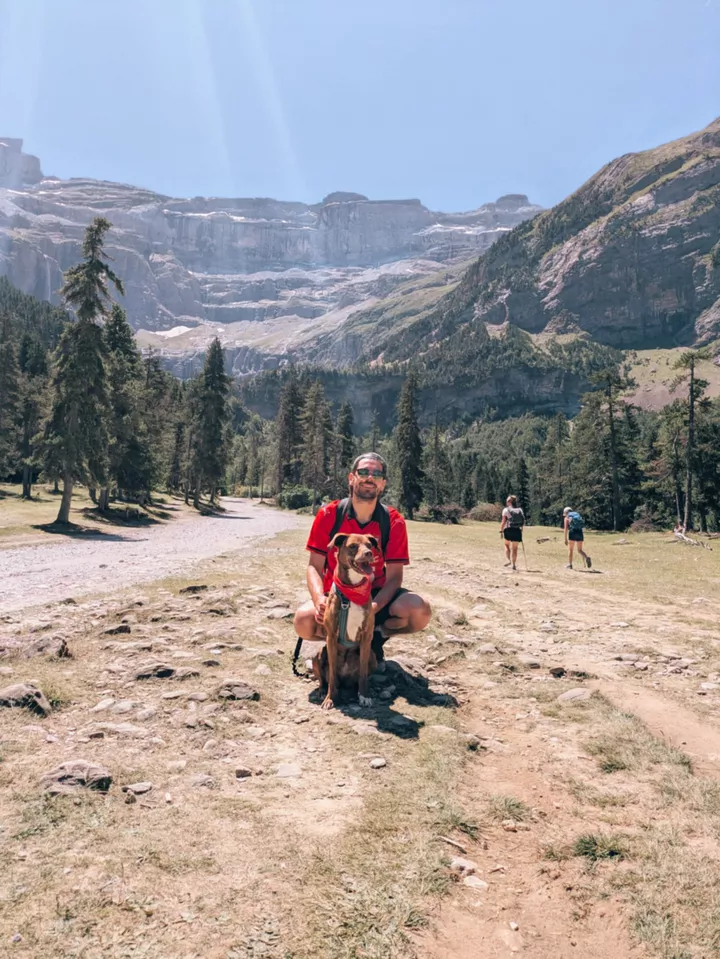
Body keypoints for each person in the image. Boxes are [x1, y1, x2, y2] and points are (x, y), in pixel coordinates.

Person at [293, 452, 432, 665]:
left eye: (377, 474)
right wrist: (319, 600)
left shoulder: (393, 521)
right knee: (303, 621)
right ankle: (338, 641)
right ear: (352, 478)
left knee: (419, 610)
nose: (370, 478)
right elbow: (314, 566)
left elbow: (395, 577)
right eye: (364, 472)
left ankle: (376, 635)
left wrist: (372, 608)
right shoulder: (329, 514)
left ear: (383, 484)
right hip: (337, 594)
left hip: (374, 595)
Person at [500, 495, 525, 570]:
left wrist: (501, 530)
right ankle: (514, 565)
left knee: (507, 545)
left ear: (509, 502)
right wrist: (522, 529)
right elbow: (523, 521)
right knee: (515, 548)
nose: (506, 502)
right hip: (517, 530)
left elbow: (503, 521)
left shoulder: (506, 510)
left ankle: (508, 560)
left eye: (507, 501)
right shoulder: (520, 510)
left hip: (508, 529)